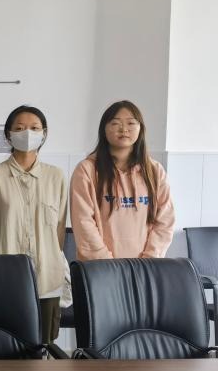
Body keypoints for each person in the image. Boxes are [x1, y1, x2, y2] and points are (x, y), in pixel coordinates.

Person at [0, 105, 68, 343]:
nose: (27, 133)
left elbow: (60, 228)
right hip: (4, 278)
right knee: (5, 343)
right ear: (8, 134)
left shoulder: (56, 176)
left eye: (34, 128)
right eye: (19, 128)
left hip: (47, 277)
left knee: (44, 344)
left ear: (44, 133)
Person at [70, 100, 175, 260]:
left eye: (131, 123)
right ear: (104, 129)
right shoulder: (86, 170)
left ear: (140, 129)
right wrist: (108, 265)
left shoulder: (155, 171)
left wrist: (148, 261)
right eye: (115, 123)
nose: (123, 129)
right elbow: (83, 222)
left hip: (144, 268)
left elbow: (165, 221)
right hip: (100, 268)